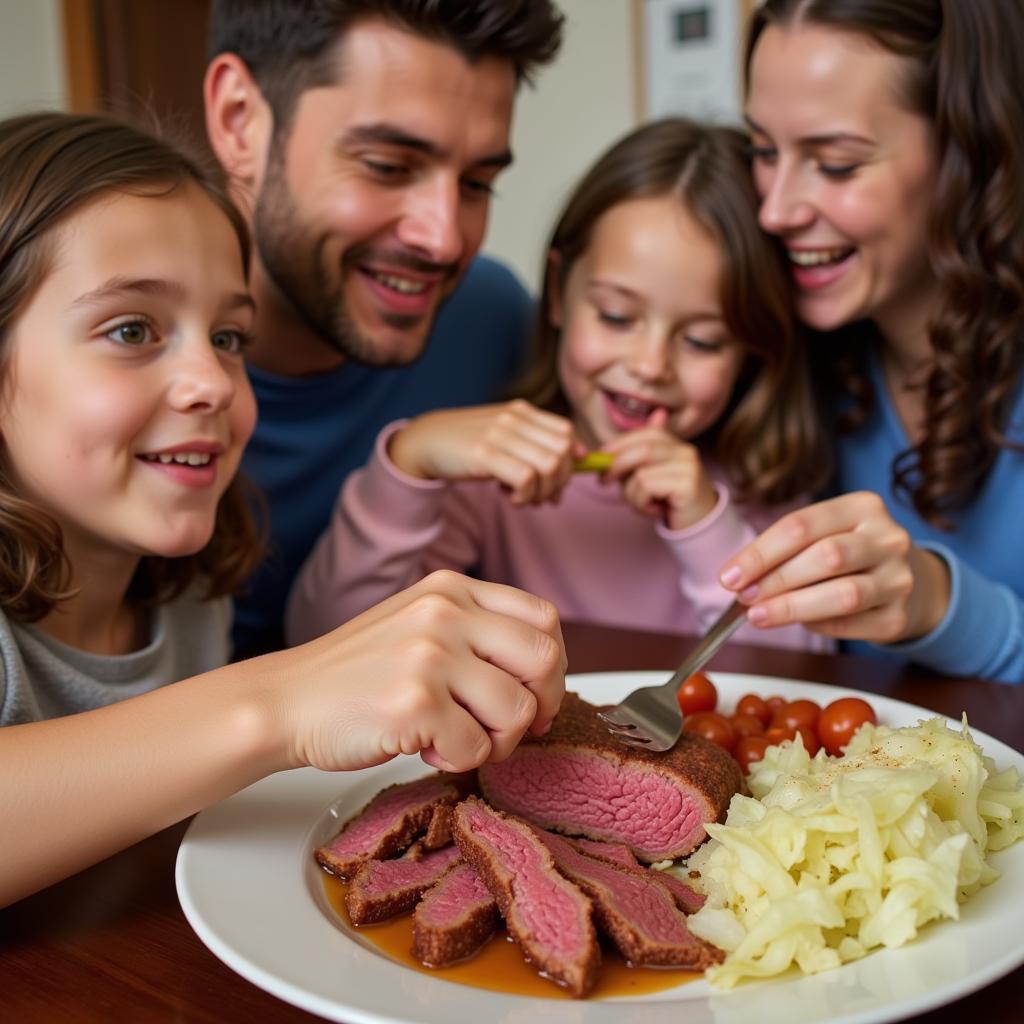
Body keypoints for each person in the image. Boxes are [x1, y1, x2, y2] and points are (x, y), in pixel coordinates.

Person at [0, 112, 565, 909]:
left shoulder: (191, 596)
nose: (213, 381)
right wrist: (278, 703)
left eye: (229, 337)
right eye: (132, 329)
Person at [287, 118, 832, 652]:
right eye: (617, 317)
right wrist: (409, 462)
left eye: (703, 341)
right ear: (557, 294)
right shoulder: (495, 480)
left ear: (753, 350)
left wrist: (704, 524)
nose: (649, 365)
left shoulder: (760, 489)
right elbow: (332, 645)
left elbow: (795, 677)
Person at [202, 0, 565, 658]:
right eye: (388, 167)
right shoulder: (111, 380)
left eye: (479, 183)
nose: (444, 238)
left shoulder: (491, 320)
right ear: (240, 121)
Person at [716, 0, 1024, 683]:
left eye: (836, 165)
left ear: (967, 159)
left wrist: (941, 602)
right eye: (765, 152)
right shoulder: (779, 352)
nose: (775, 210)